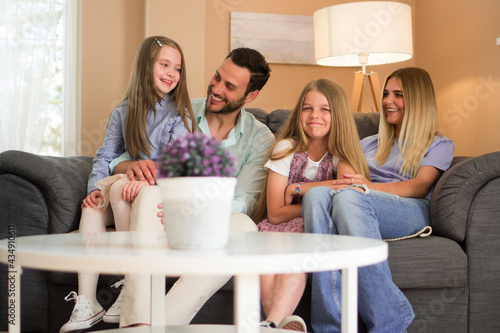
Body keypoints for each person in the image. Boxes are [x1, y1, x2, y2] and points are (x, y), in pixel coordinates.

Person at [108, 47, 274, 327]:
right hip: (161, 215)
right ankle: (137, 321)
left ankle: (157, 326)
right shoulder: (177, 109)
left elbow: (245, 200)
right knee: (149, 193)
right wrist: (129, 166)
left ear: (251, 96)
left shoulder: (260, 138)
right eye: (217, 77)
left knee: (246, 225)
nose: (216, 88)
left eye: (229, 86)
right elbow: (121, 158)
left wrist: (193, 208)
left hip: (213, 226)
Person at [302, 67, 455, 333]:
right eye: (386, 94)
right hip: (357, 201)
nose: (387, 101)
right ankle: (330, 326)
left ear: (418, 100)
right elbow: (346, 174)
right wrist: (355, 185)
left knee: (349, 197)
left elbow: (420, 186)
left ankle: (390, 324)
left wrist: (369, 187)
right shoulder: (370, 143)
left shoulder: (438, 143)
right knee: (316, 194)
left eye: (398, 95)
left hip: (409, 209)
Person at [60, 35, 195, 333]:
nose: (172, 73)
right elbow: (105, 155)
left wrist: (145, 177)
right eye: (164, 64)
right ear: (145, 67)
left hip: (154, 189)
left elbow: (178, 164)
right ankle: (86, 301)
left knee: (123, 189)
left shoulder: (178, 114)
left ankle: (130, 283)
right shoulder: (123, 112)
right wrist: (95, 188)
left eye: (178, 68)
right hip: (123, 182)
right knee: (93, 208)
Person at [253, 78, 370, 331]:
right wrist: (316, 202)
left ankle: (270, 324)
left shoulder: (339, 155)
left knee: (295, 266)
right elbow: (274, 214)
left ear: (337, 114)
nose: (314, 115)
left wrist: (299, 188)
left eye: (324, 109)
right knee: (268, 264)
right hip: (277, 231)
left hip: (308, 232)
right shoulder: (286, 148)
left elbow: (346, 187)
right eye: (307, 108)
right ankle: (275, 324)